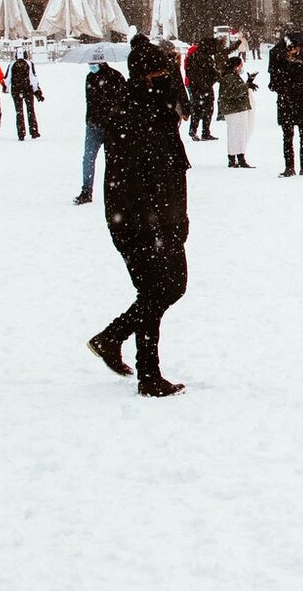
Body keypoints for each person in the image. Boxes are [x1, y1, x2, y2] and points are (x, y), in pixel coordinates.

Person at [85, 57, 192, 399]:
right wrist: (157, 224)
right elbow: (136, 178)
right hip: (138, 222)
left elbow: (172, 172)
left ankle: (113, 339)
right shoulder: (130, 112)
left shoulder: (157, 111)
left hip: (164, 220)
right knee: (159, 290)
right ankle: (147, 372)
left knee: (169, 288)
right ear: (145, 77)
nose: (168, 81)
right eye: (161, 75)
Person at [79, 60, 128, 201]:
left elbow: (122, 100)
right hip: (96, 124)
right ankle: (87, 190)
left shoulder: (114, 77)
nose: (91, 65)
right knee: (90, 158)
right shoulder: (91, 77)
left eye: (93, 62)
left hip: (110, 125)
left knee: (110, 159)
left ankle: (114, 190)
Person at [269, 34, 303, 177]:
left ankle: (294, 167)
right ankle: (300, 166)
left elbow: (273, 85)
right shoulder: (302, 63)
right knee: (299, 136)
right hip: (296, 102)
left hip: (290, 103)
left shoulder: (281, 64)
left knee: (294, 136)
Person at [216, 45, 258, 167]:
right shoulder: (229, 77)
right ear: (236, 66)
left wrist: (248, 83)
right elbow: (232, 93)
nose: (241, 68)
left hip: (237, 109)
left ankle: (238, 157)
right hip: (235, 110)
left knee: (239, 134)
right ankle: (236, 158)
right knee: (236, 134)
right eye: (240, 66)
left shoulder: (231, 76)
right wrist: (247, 85)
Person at [183, 30, 221, 142]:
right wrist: (211, 80)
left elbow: (188, 72)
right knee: (208, 110)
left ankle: (193, 128)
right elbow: (213, 74)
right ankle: (205, 132)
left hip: (194, 86)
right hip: (205, 87)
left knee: (197, 108)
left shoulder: (192, 57)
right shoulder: (207, 59)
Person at [9, 50, 44, 141]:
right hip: (27, 90)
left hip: (16, 90)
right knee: (30, 110)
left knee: (19, 112)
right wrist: (38, 92)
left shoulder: (12, 64)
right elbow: (33, 79)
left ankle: (21, 134)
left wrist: (5, 88)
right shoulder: (29, 64)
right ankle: (34, 132)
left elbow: (7, 79)